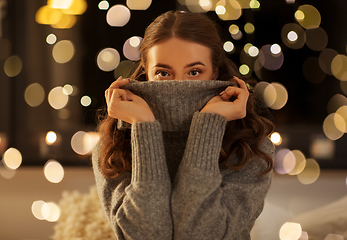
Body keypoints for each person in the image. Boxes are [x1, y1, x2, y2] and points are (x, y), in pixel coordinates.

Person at [92, 10, 275, 240]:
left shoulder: (251, 146)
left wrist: (208, 126)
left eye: (195, 72)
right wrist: (144, 127)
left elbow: (203, 235)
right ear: (146, 74)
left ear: (215, 73)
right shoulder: (113, 148)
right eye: (163, 73)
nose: (179, 85)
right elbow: (145, 236)